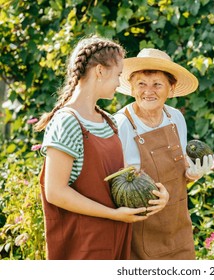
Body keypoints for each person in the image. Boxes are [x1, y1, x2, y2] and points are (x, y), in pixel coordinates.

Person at [34, 36, 169, 260]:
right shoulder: (67, 121)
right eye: (117, 75)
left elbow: (123, 179)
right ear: (99, 71)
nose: (119, 83)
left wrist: (156, 195)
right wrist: (113, 214)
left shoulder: (107, 121)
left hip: (115, 241)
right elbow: (55, 192)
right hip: (83, 247)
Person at [114, 48, 214, 260]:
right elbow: (113, 186)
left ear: (171, 88)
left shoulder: (175, 117)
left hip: (179, 228)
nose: (148, 91)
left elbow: (178, 174)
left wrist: (192, 175)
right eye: (141, 83)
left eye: (157, 84)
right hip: (142, 233)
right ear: (132, 87)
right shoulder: (121, 124)